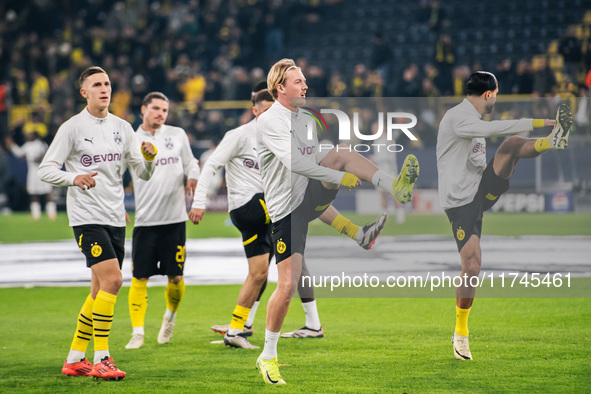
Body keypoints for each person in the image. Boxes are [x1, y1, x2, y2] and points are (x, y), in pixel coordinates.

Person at [254, 58, 419, 385]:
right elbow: (296, 163)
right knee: (286, 287)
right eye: (298, 81)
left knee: (341, 151)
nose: (305, 85)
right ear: (279, 88)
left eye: (303, 80)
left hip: (309, 195)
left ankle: (394, 185)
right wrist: (337, 177)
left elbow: (315, 157)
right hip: (287, 209)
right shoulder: (269, 121)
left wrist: (335, 173)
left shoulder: (305, 119)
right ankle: (267, 355)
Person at [190, 83, 388, 349]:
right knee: (296, 210)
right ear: (255, 110)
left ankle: (262, 325)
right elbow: (212, 164)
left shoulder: (285, 134)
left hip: (268, 205)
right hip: (250, 205)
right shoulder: (240, 135)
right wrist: (199, 200)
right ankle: (356, 233)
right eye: (266, 110)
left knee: (268, 269)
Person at [436, 71, 572, 361]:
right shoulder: (457, 117)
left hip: (480, 187)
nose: (495, 100)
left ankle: (553, 141)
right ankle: (460, 333)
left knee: (512, 145)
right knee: (472, 266)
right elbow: (495, 128)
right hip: (460, 202)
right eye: (495, 95)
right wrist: (538, 121)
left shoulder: (473, 119)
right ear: (488, 94)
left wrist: (546, 132)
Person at [38, 66, 157, 380]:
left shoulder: (123, 127)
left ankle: (75, 358)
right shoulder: (72, 128)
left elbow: (142, 175)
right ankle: (101, 357)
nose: (104, 89)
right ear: (84, 92)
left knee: (99, 290)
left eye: (107, 83)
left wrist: (148, 158)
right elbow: (45, 169)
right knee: (114, 281)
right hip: (86, 217)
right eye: (97, 85)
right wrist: (73, 178)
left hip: (115, 217)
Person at [124, 92, 200, 350]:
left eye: (164, 110)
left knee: (176, 278)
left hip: (175, 219)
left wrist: (192, 175)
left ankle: (169, 319)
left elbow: (192, 163)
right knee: (139, 278)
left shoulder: (177, 135)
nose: (160, 113)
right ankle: (137, 333)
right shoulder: (131, 140)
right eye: (156, 108)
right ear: (143, 109)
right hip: (145, 220)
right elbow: (116, 177)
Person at [6, 131, 56, 220]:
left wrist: (39, 158)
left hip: (43, 172)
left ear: (36, 135)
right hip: (32, 174)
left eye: (30, 134)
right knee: (33, 194)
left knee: (47, 192)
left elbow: (45, 156)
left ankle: (51, 213)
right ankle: (36, 214)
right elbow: (19, 153)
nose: (28, 135)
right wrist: (12, 145)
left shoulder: (41, 144)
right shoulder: (27, 145)